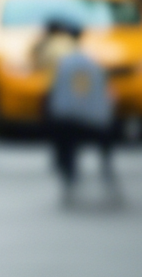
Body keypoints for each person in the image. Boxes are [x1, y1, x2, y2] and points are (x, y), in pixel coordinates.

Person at [40, 21, 119, 203]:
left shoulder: (61, 61)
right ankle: (106, 172)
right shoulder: (94, 63)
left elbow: (53, 93)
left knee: (60, 130)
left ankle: (68, 173)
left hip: (68, 123)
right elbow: (108, 95)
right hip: (98, 124)